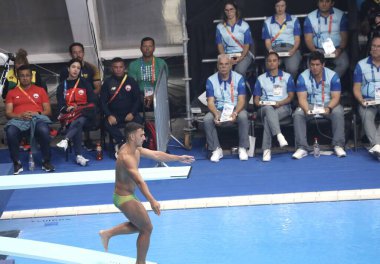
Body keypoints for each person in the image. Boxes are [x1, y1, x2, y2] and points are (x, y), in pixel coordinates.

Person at [98, 122, 194, 264]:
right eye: (141, 135)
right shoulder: (126, 157)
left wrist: (178, 158)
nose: (144, 138)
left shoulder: (135, 149)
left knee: (141, 226)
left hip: (128, 195)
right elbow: (139, 181)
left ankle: (107, 233)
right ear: (132, 136)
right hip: (124, 198)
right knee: (146, 228)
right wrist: (152, 200)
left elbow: (156, 154)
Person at [293, 51, 346, 159]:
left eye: (317, 65)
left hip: (328, 104)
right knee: (298, 114)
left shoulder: (333, 76)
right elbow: (301, 98)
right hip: (310, 104)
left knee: (338, 111)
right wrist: (306, 109)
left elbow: (336, 97)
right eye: (312, 65)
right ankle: (302, 147)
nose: (314, 68)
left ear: (323, 65)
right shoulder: (302, 77)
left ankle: (338, 145)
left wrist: (329, 108)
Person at [4, 65, 54, 174]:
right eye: (22, 76)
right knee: (10, 131)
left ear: (31, 76)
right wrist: (19, 115)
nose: (25, 78)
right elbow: (8, 113)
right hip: (18, 120)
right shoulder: (11, 92)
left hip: (37, 119)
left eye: (27, 75)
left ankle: (46, 161)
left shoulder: (40, 90)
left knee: (44, 130)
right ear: (18, 77)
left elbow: (48, 111)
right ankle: (17, 163)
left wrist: (37, 113)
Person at [204, 54, 249, 162]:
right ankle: (216, 149)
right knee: (207, 119)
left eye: (226, 64)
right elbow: (210, 102)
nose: (223, 67)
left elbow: (242, 100)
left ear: (231, 66)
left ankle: (243, 148)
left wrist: (235, 112)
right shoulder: (211, 80)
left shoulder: (239, 78)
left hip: (234, 109)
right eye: (221, 64)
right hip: (218, 109)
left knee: (243, 116)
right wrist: (216, 113)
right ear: (217, 65)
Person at [253, 52, 295, 161]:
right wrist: (264, 103)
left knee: (269, 118)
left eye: (274, 60)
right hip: (264, 108)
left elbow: (290, 97)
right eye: (269, 61)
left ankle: (266, 150)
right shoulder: (260, 78)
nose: (272, 63)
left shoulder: (287, 77)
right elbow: (256, 101)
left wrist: (280, 103)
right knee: (268, 109)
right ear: (266, 63)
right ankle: (279, 135)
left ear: (279, 62)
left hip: (283, 107)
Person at [60, 42, 102, 151]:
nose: (78, 54)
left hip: (87, 102)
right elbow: (63, 90)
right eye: (75, 52)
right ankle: (77, 152)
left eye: (80, 52)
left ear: (83, 53)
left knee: (85, 111)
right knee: (79, 118)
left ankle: (69, 140)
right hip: (71, 104)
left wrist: (86, 98)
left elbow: (97, 87)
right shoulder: (65, 71)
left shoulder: (91, 67)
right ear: (71, 54)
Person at [56, 58, 97, 166]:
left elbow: (93, 100)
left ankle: (66, 139)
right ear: (68, 69)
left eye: (78, 68)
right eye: (73, 67)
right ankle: (78, 155)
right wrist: (66, 108)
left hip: (87, 115)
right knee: (78, 121)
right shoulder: (62, 86)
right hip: (70, 116)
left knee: (81, 116)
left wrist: (79, 107)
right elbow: (60, 104)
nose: (75, 70)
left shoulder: (85, 83)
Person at [100, 57, 143, 157]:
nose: (118, 69)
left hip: (129, 113)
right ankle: (122, 142)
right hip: (114, 114)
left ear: (124, 68)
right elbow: (102, 102)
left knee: (139, 121)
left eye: (120, 67)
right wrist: (109, 115)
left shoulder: (131, 81)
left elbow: (137, 100)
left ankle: (128, 144)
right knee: (106, 123)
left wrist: (132, 113)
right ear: (112, 68)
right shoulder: (107, 82)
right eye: (116, 67)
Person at [304, 0, 349, 77]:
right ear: (317, 3)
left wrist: (339, 50)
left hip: (336, 49)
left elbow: (344, 37)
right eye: (321, 1)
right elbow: (308, 39)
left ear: (332, 3)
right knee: (311, 65)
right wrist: (315, 52)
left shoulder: (340, 15)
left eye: (327, 1)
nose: (324, 4)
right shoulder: (310, 17)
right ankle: (319, 84)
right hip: (318, 49)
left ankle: (330, 82)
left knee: (344, 64)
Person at [353, 35, 380, 158]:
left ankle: (377, 147)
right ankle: (377, 146)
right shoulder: (361, 65)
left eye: (378, 46)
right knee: (366, 114)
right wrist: (361, 100)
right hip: (368, 101)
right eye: (373, 46)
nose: (375, 49)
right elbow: (356, 88)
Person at [262, 0, 302, 78]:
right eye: (277, 6)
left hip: (291, 48)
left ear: (286, 6)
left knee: (292, 69)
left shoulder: (294, 19)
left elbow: (297, 39)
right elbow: (267, 41)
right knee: (270, 67)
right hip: (275, 48)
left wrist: (294, 49)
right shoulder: (267, 22)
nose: (280, 8)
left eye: (282, 6)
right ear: (274, 7)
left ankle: (289, 86)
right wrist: (270, 50)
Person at [128, 37, 169, 112]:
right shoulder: (133, 65)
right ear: (140, 48)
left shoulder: (161, 63)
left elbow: (164, 85)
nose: (147, 49)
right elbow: (132, 86)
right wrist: (144, 97)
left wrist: (153, 96)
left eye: (150, 46)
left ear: (154, 48)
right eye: (145, 46)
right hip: (139, 96)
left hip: (158, 95)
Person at [216, 0, 254, 76]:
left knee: (238, 72)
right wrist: (225, 58)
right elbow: (219, 45)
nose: (229, 12)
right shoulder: (220, 27)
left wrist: (240, 58)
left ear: (236, 10)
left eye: (231, 9)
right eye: (226, 10)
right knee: (224, 71)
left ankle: (241, 87)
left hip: (243, 54)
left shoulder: (244, 25)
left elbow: (247, 45)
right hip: (227, 55)